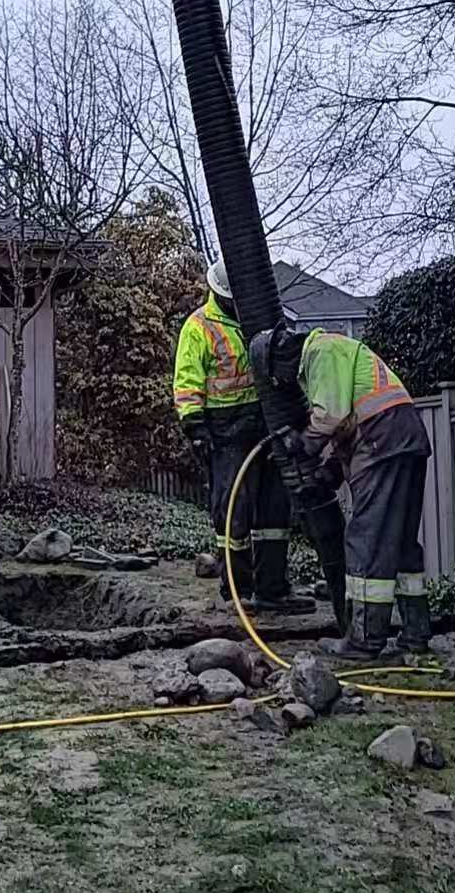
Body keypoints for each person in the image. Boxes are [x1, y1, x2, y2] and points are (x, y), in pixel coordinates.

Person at [250, 324, 432, 660]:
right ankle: (415, 633)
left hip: (382, 442)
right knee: (402, 542)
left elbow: (330, 416)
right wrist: (330, 471)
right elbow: (347, 420)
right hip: (405, 438)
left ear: (280, 361)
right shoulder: (338, 352)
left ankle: (364, 640)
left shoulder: (321, 352)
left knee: (366, 539)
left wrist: (301, 443)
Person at [173, 259, 311, 612]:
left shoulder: (256, 319)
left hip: (264, 423)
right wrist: (196, 426)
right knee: (233, 510)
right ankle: (237, 590)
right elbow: (187, 380)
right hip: (224, 431)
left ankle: (272, 588)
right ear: (220, 294)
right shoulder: (199, 326)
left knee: (274, 509)